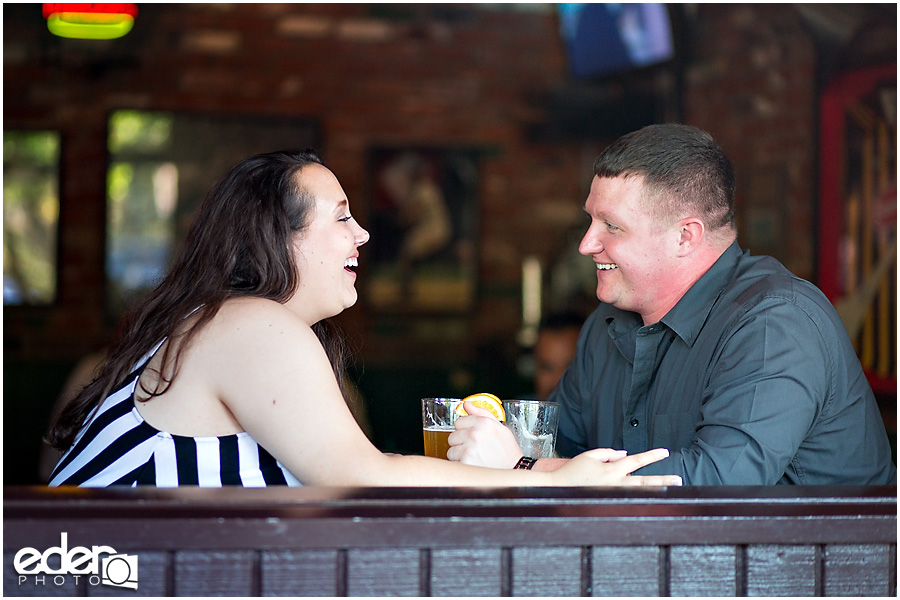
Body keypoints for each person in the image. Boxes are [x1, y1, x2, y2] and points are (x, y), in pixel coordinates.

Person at [46, 149, 681, 488]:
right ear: (281, 238)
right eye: (342, 217)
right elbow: (363, 476)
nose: (365, 233)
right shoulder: (249, 326)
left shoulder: (220, 323)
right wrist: (552, 482)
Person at [448, 124, 897, 485]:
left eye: (612, 226)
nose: (587, 243)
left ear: (686, 235)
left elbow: (721, 483)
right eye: (591, 219)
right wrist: (489, 439)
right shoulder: (607, 323)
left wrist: (523, 468)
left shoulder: (776, 321)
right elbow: (552, 441)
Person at [532, 312, 584, 400]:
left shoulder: (608, 412)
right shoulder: (515, 412)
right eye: (547, 368)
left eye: (570, 368)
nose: (558, 380)